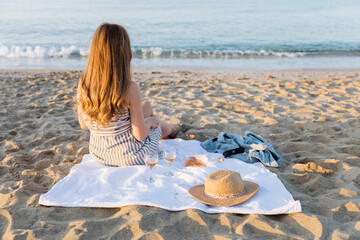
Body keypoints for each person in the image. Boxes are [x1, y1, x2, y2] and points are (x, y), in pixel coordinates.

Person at [75, 23, 178, 167]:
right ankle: (173, 128)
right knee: (155, 122)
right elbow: (139, 135)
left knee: (146, 106)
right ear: (124, 53)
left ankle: (172, 128)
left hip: (99, 154)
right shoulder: (129, 87)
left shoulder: (83, 83)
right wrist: (148, 122)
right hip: (131, 157)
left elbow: (84, 124)